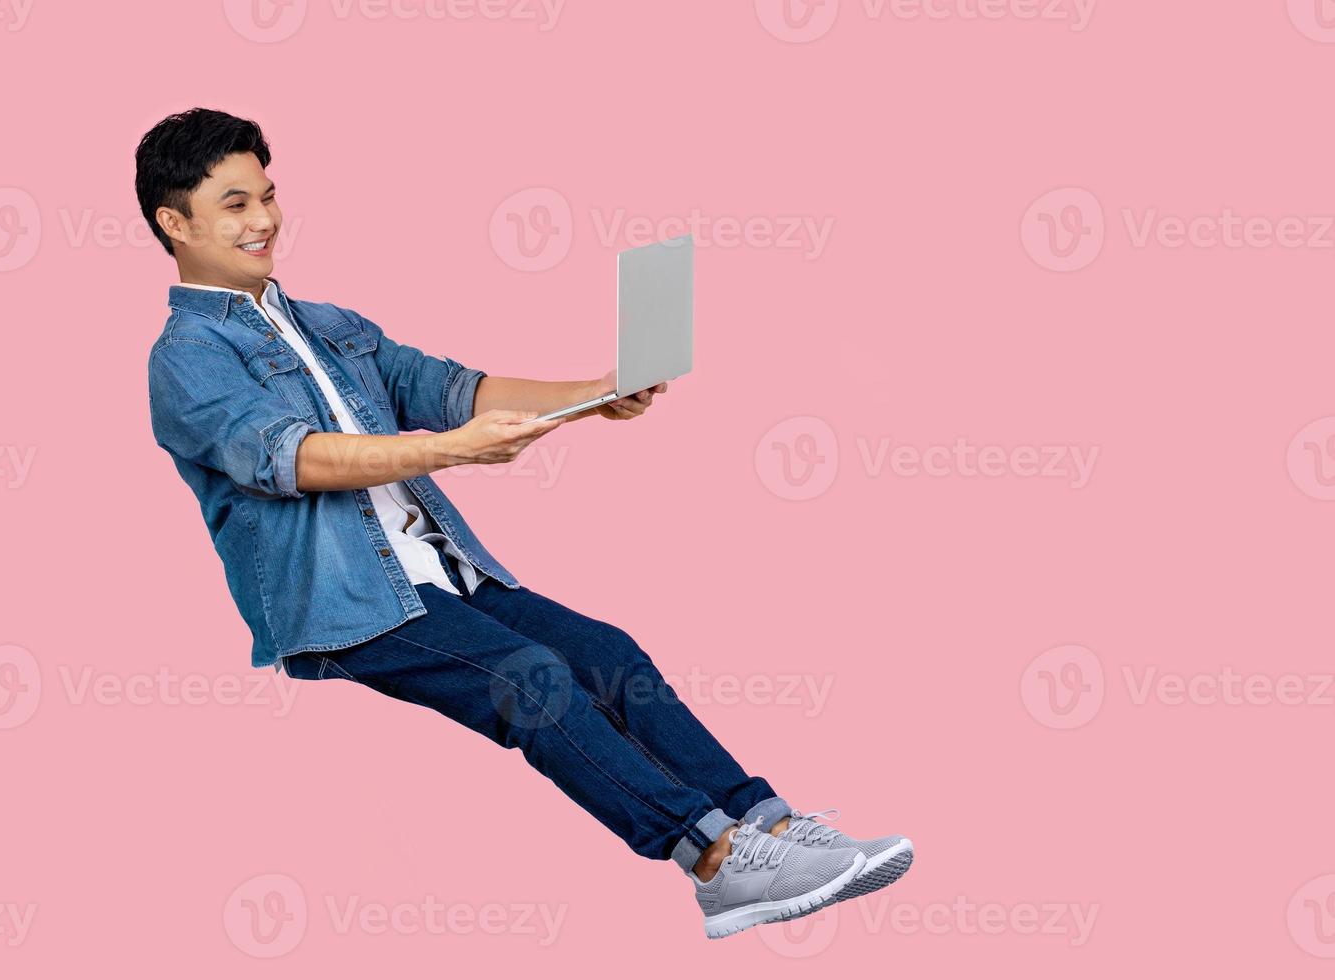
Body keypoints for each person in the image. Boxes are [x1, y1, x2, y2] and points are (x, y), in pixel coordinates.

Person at [137, 107, 913, 938]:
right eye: (233, 205)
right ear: (173, 223)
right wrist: (447, 454)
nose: (264, 220)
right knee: (530, 679)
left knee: (608, 654)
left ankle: (771, 828)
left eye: (268, 195)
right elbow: (292, 459)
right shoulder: (185, 360)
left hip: (444, 572)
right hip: (347, 605)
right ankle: (717, 863)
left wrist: (591, 397)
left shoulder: (328, 325)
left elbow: (450, 391)